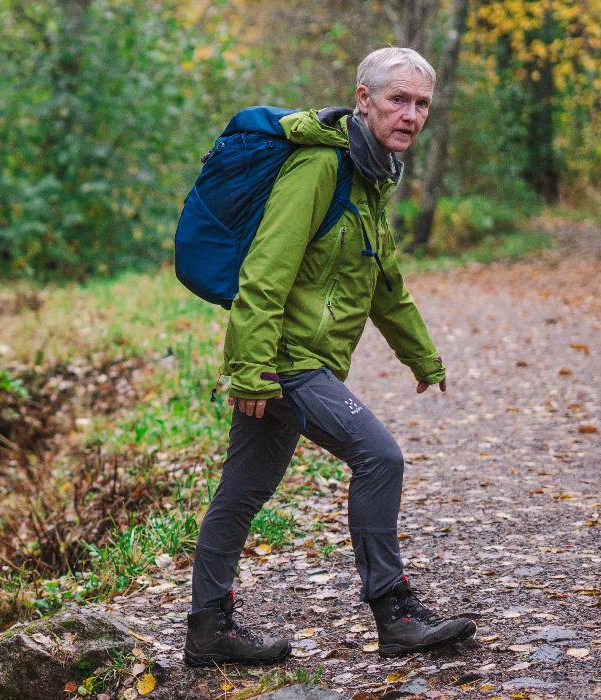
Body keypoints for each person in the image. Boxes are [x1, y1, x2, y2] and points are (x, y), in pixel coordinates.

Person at [186, 47, 475, 666]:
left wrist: (422, 358)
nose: (411, 114)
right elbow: (266, 270)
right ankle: (395, 613)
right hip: (286, 360)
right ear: (363, 99)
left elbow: (385, 280)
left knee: (239, 495)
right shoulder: (321, 167)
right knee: (380, 458)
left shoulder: (373, 175)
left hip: (298, 360)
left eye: (422, 104)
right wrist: (252, 369)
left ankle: (208, 630)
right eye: (398, 99)